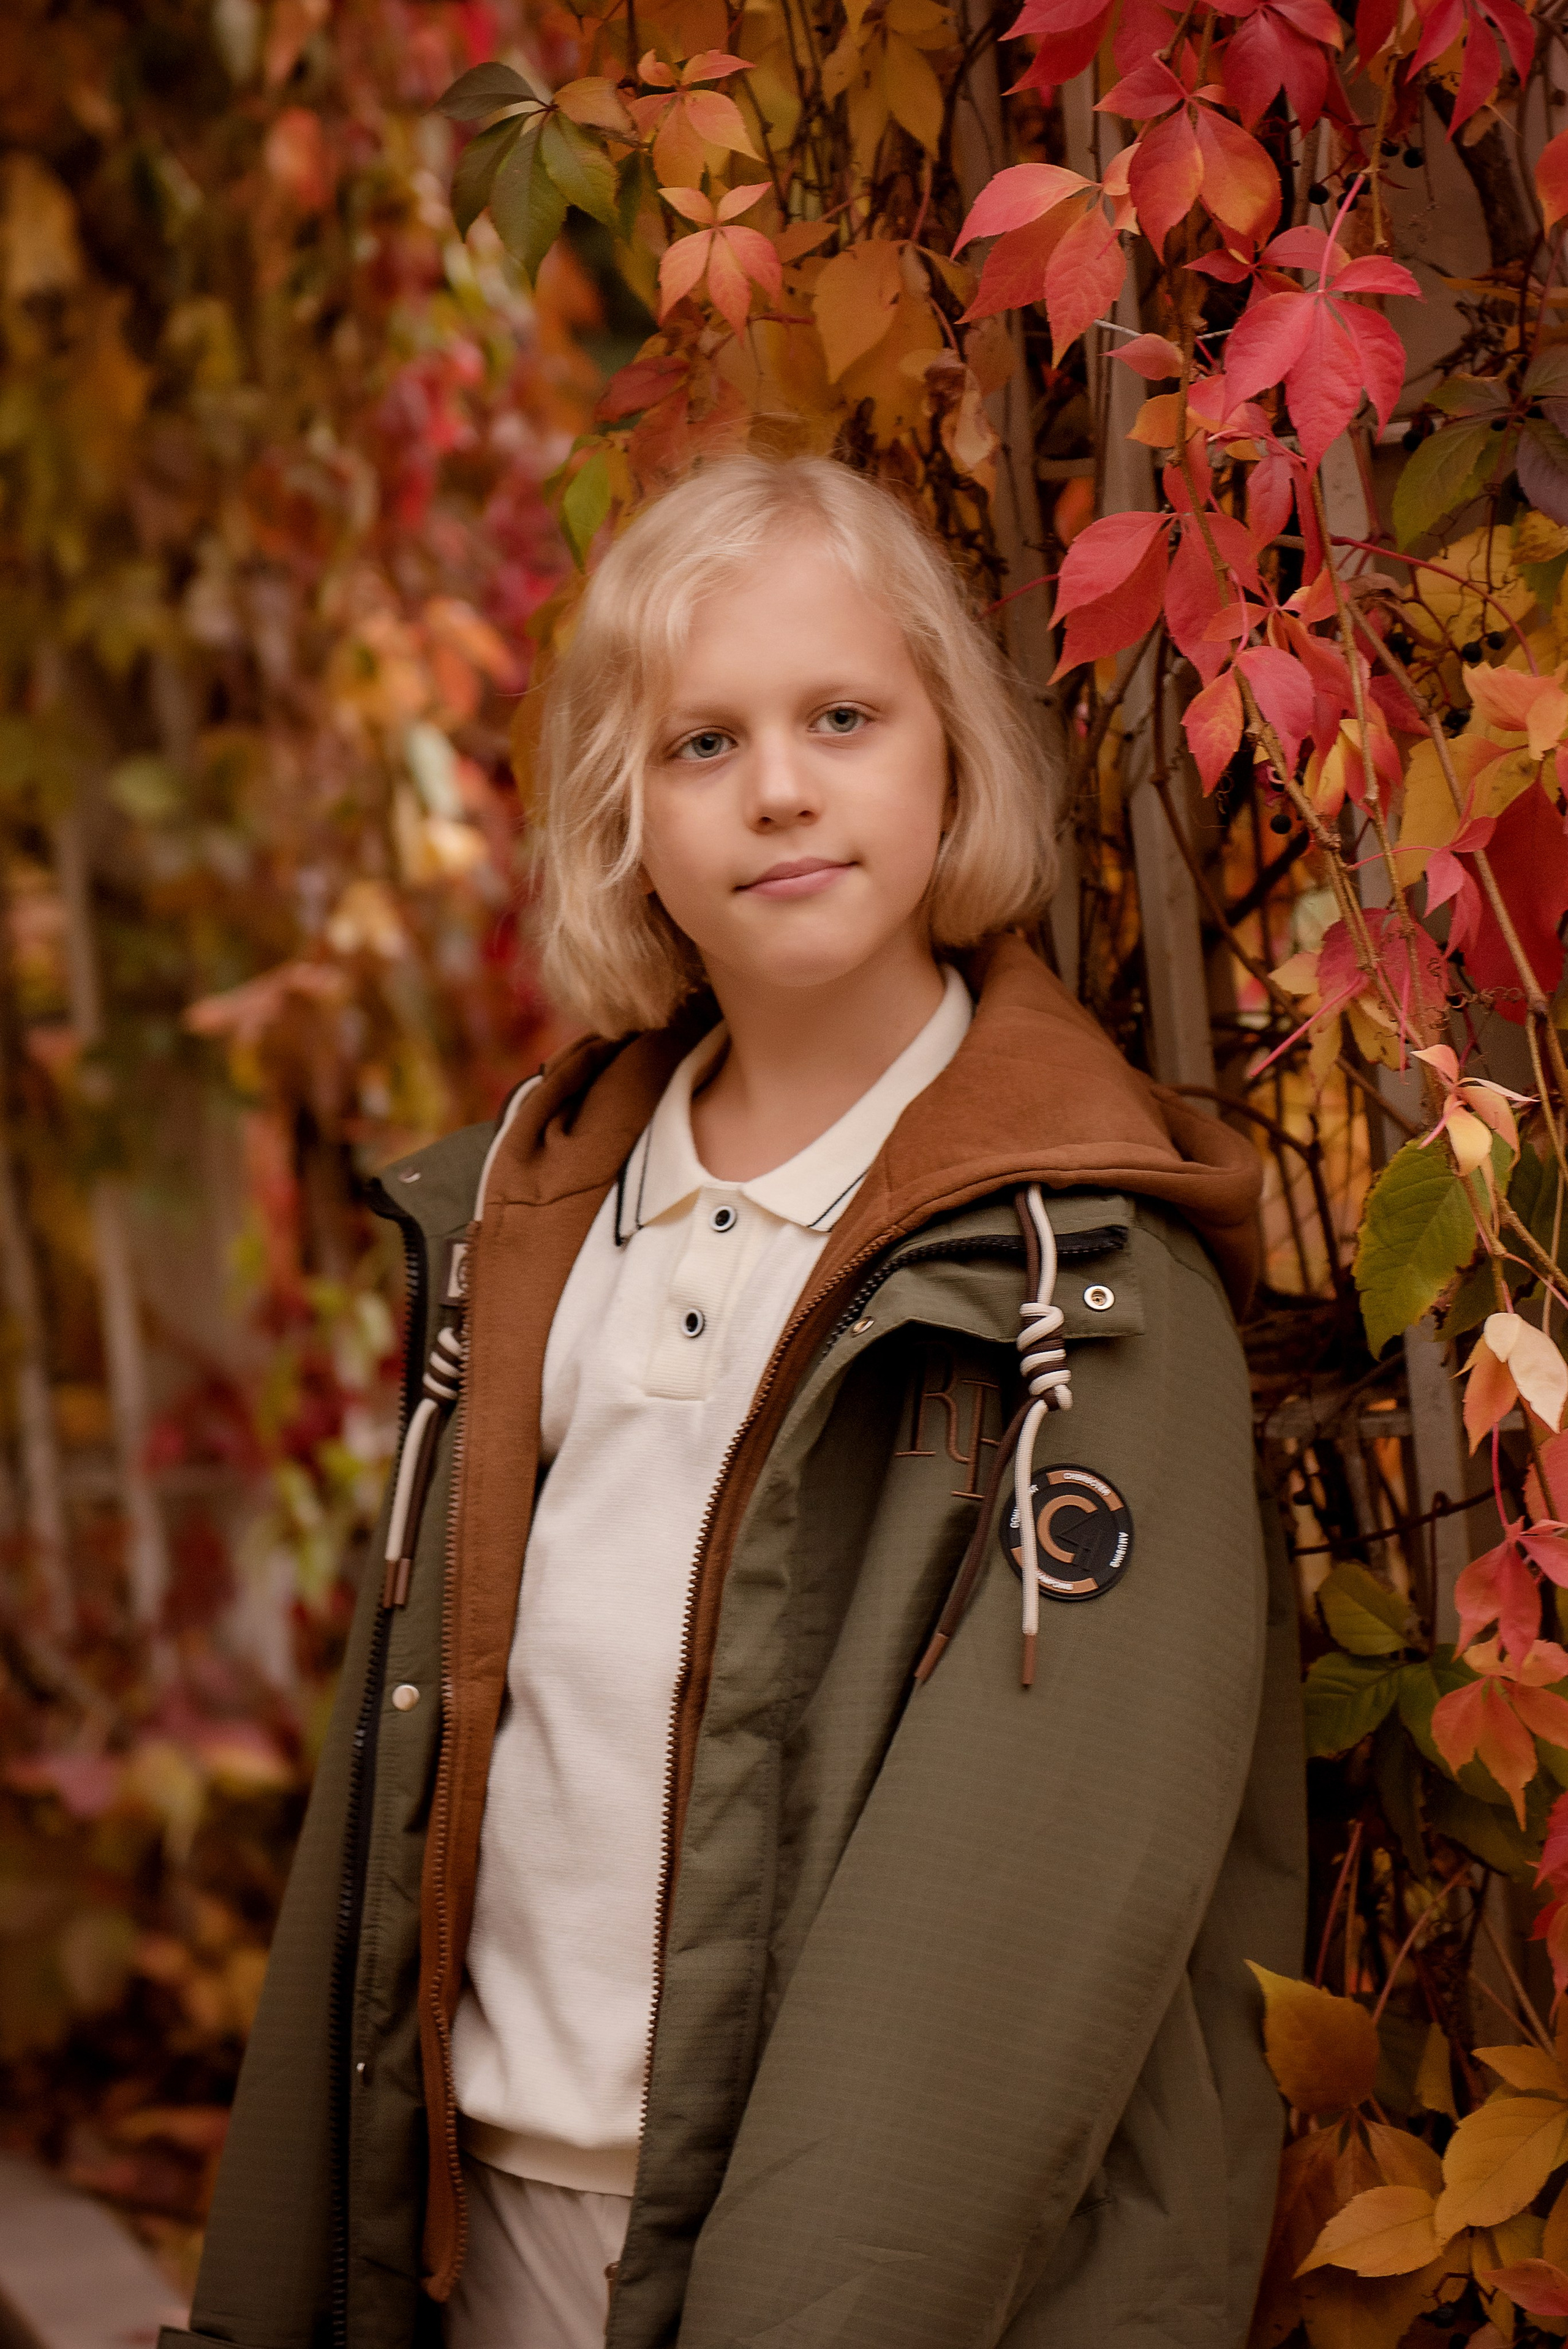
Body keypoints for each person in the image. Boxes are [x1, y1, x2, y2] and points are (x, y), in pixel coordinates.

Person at [160, 455, 1305, 2349]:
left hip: (855, 2275)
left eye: (842, 718)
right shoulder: (530, 1218)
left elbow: (1010, 1938)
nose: (779, 786)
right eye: (702, 742)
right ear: (627, 817)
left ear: (950, 755)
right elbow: (404, 1779)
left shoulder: (1079, 1286)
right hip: (479, 2214)